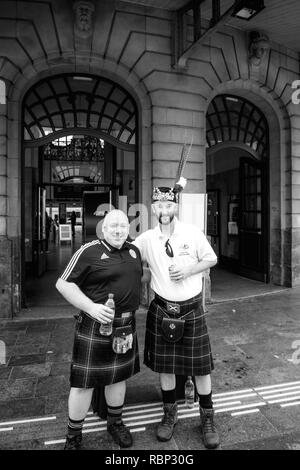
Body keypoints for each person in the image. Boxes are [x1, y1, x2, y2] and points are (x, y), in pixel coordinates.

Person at [133, 185, 220, 450]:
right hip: (162, 309)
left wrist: (188, 270)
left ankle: (207, 417)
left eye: (168, 206)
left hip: (191, 309)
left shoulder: (192, 233)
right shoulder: (146, 239)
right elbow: (126, 257)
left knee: (201, 368)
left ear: (175, 207)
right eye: (158, 206)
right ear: (153, 208)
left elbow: (211, 258)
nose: (163, 211)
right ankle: (170, 413)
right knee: (166, 367)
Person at [55, 209, 143, 450]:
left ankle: (115, 423)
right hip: (95, 326)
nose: (118, 230)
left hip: (125, 326)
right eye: (113, 226)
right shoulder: (89, 250)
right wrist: (91, 307)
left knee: (118, 378)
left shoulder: (134, 250)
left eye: (123, 226)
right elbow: (62, 283)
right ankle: (73, 436)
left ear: (129, 228)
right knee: (83, 383)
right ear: (103, 229)